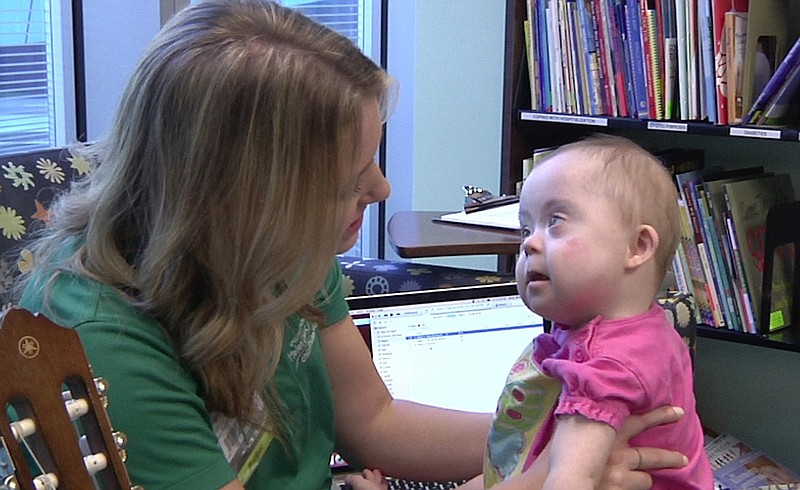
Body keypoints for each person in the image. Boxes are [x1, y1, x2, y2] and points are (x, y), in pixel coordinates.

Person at [14, 2, 688, 489]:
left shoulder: (282, 253)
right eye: (348, 179)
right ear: (245, 202)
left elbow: (373, 419)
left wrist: (553, 438)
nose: (384, 185)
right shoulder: (94, 341)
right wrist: (543, 478)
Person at [479, 135, 713, 489]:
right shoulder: (635, 332)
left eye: (555, 220)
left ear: (636, 246)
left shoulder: (609, 363)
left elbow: (568, 480)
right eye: (526, 228)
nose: (528, 242)